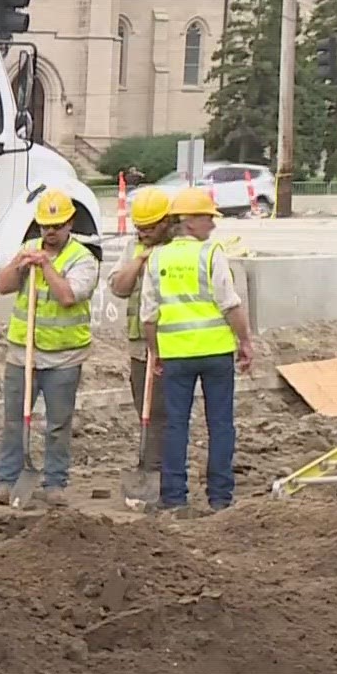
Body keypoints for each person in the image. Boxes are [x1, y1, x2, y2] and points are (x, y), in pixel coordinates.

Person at [139, 186, 255, 513]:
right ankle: (220, 497)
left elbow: (148, 316)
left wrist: (155, 351)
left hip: (175, 356)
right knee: (220, 424)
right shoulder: (210, 254)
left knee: (176, 425)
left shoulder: (157, 258)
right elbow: (230, 304)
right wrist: (244, 342)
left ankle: (174, 497)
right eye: (208, 218)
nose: (213, 225)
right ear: (189, 222)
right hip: (215, 353)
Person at [0, 188, 99, 506]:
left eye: (57, 225)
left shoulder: (83, 259)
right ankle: (6, 480)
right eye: (44, 226)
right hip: (23, 352)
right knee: (14, 420)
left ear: (69, 224)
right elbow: (2, 285)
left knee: (58, 424)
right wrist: (21, 265)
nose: (49, 233)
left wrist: (46, 266)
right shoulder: (28, 249)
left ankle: (55, 482)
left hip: (64, 356)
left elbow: (67, 296)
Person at [108, 186, 176, 480]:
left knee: (164, 411)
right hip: (139, 345)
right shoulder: (132, 247)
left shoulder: (179, 248)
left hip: (174, 343)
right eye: (140, 228)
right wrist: (139, 261)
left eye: (150, 228)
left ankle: (159, 469)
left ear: (166, 221)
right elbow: (119, 288)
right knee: (145, 409)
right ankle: (150, 466)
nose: (144, 233)